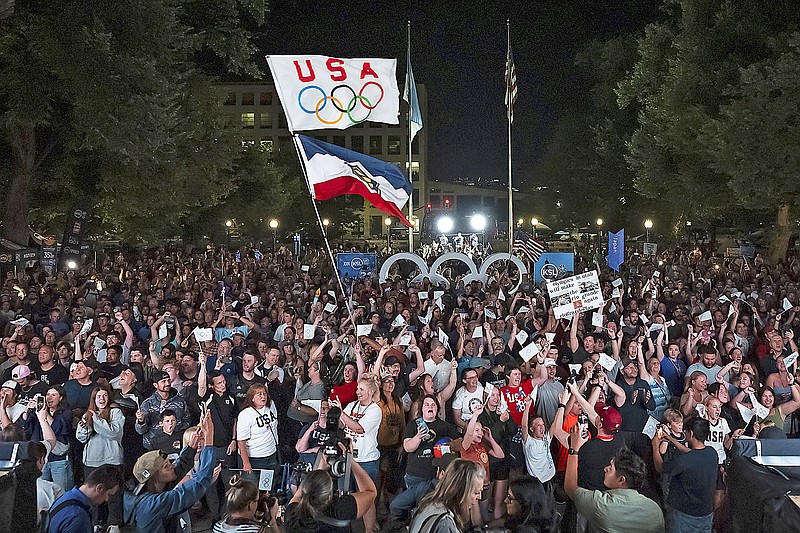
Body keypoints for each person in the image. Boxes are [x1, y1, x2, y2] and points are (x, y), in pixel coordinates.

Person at [123, 412, 218, 533]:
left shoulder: (151, 489)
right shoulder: (154, 504)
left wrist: (191, 446)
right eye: (166, 466)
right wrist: (209, 440)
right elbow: (198, 484)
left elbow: (180, 466)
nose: (172, 466)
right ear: (155, 476)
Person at [565, 425, 664, 533]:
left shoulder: (601, 505)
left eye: (610, 468)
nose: (605, 469)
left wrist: (574, 449)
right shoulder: (655, 510)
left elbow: (570, 488)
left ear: (621, 480)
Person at [333, 373, 382, 533]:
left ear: (371, 392)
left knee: (367, 497)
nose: (358, 392)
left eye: (361, 389)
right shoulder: (353, 405)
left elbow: (358, 428)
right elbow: (341, 424)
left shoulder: (375, 410)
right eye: (358, 388)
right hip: (348, 458)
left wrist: (342, 414)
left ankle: (368, 530)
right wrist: (333, 412)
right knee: (344, 495)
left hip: (366, 460)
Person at [283, 454, 377, 533]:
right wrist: (350, 461)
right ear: (328, 495)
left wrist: (317, 473)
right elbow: (370, 492)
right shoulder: (341, 508)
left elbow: (298, 495)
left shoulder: (293, 513)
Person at [75, 386, 125, 532]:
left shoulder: (116, 412)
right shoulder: (88, 414)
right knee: (93, 493)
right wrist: (85, 425)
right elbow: (81, 438)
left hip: (112, 460)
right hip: (92, 460)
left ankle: (114, 523)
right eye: (98, 396)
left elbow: (114, 433)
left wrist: (96, 419)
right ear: (94, 399)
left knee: (113, 493)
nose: (101, 399)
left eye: (104, 396)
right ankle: (97, 522)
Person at [666, 417, 718, 533]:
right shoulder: (712, 453)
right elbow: (693, 454)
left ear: (691, 433)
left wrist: (655, 447)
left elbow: (660, 467)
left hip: (683, 516)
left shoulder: (683, 460)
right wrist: (672, 440)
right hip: (706, 514)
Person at [409, 459, 485, 533]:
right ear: (461, 491)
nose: (479, 497)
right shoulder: (445, 523)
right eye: (476, 493)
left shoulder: (429, 504)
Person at [46, 465, 122, 533]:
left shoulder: (66, 497)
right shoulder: (78, 517)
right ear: (99, 488)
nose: (107, 499)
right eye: (108, 495)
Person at [236, 383, 279, 486]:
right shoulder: (246, 414)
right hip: (255, 458)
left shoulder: (271, 406)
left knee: (266, 487)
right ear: (252, 398)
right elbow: (241, 442)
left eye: (264, 394)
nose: (263, 396)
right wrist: (246, 463)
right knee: (252, 489)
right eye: (259, 394)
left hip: (271, 455)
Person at [212, 475, 279, 532]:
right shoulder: (255, 531)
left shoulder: (217, 527)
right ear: (250, 504)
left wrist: (258, 517)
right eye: (257, 500)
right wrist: (272, 520)